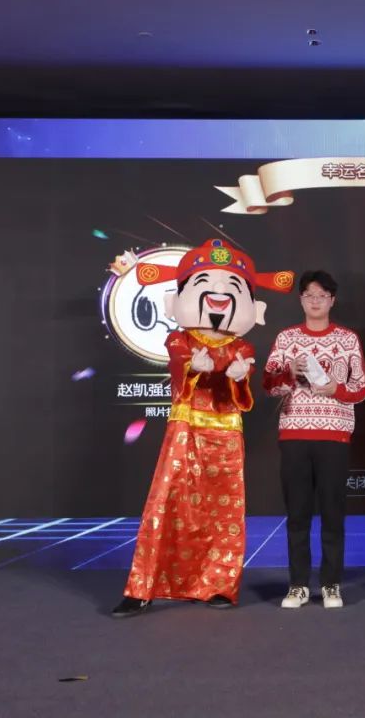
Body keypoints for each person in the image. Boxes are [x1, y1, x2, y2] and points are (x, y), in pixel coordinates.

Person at [112, 238, 294, 617]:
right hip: (185, 430)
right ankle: (142, 587)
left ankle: (218, 585)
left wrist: (239, 375)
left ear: (254, 309)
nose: (219, 296)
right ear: (175, 302)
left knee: (224, 512)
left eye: (232, 288)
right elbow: (179, 361)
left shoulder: (241, 347)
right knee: (166, 504)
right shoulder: (179, 338)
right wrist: (193, 366)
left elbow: (242, 384)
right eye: (205, 285)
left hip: (226, 434)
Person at [263, 270, 365, 608]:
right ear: (301, 300)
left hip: (334, 435)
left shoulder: (348, 339)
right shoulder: (286, 338)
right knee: (298, 514)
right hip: (294, 434)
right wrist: (288, 372)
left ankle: (331, 584)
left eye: (322, 295)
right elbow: (269, 386)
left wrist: (336, 389)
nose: (315, 301)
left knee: (333, 513)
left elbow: (362, 388)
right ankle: (297, 585)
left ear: (332, 300)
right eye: (309, 295)